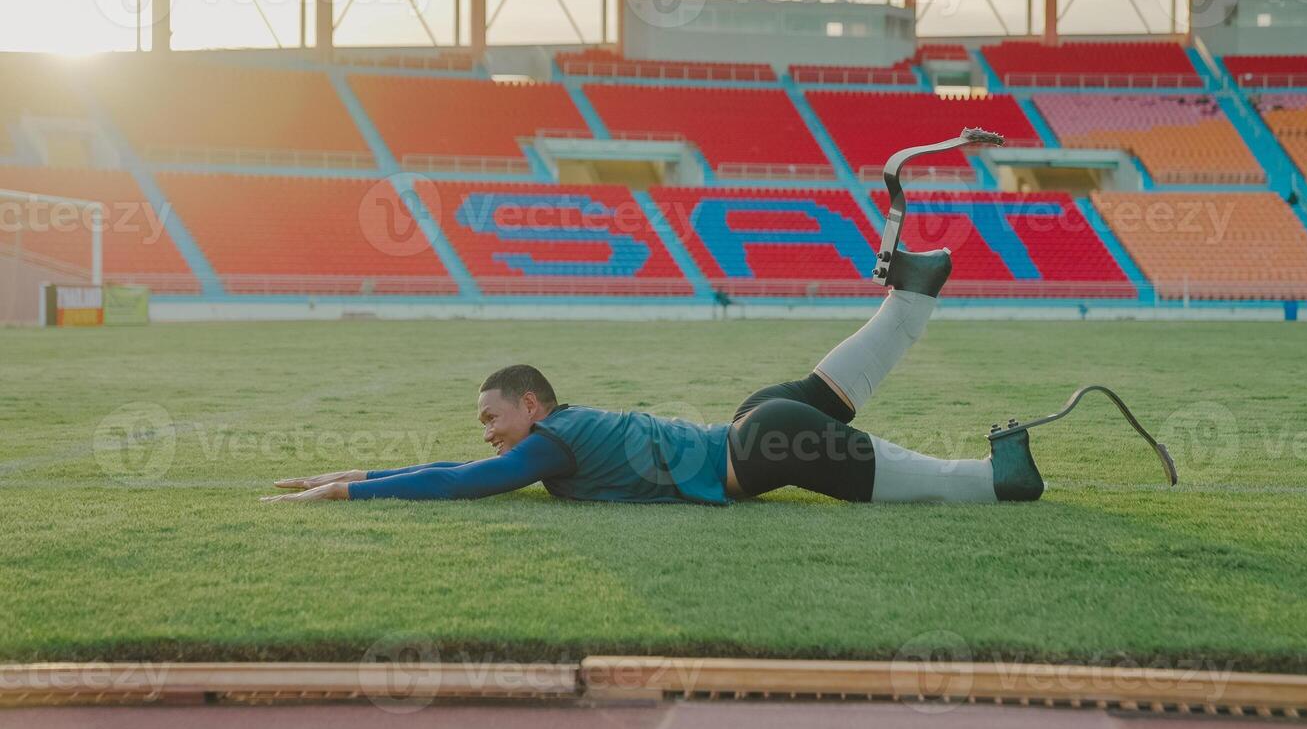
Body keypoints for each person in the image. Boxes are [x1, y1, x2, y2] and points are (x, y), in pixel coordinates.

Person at [263, 246, 1046, 506]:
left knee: (798, 424)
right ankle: (910, 298)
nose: (488, 428)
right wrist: (354, 470)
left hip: (751, 452)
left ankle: (995, 479)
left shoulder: (549, 447)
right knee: (796, 404)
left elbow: (461, 481)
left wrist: (349, 493)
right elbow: (455, 465)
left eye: (493, 415)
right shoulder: (558, 435)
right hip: (743, 438)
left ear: (531, 405)